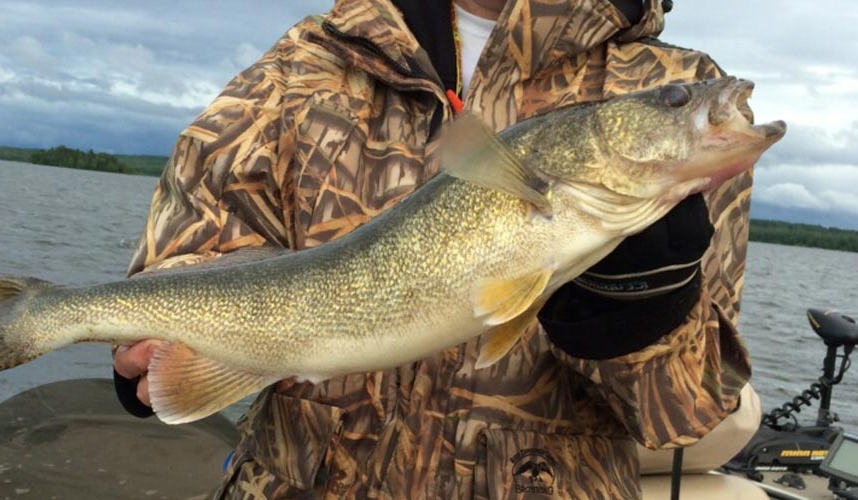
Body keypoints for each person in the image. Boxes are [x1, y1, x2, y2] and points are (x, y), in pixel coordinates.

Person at [114, 0, 753, 498]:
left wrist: (640, 310)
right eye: (672, 108)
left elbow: (687, 413)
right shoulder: (299, 70)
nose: (681, 106)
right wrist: (159, 345)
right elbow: (188, 259)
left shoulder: (679, 85)